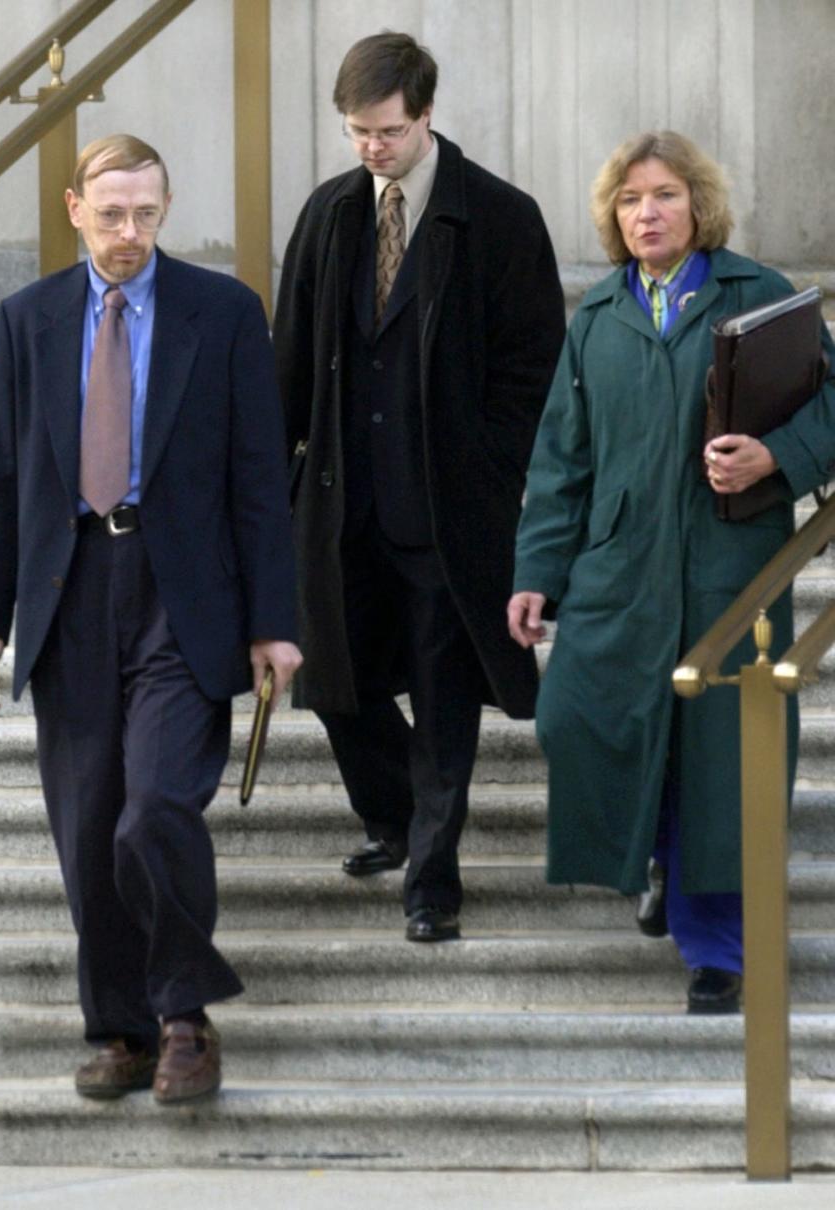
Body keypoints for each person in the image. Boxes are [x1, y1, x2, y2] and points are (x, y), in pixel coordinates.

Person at [0, 134, 302, 1101]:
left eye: (146, 213)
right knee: (88, 824)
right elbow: (1, 478)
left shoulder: (224, 312)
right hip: (67, 591)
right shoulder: (27, 319)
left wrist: (274, 620)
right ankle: (121, 1030)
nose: (129, 233)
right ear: (74, 208)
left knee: (153, 810)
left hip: (181, 591)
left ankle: (186, 1016)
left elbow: (258, 484)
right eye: (110, 213)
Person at [508, 130, 835, 1013]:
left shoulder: (759, 296)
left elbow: (833, 404)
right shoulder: (600, 313)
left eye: (664, 195)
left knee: (723, 759)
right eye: (629, 199)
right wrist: (538, 569)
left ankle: (717, 951)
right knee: (578, 717)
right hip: (618, 571)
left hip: (732, 569)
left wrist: (776, 457)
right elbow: (560, 459)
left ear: (699, 206)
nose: (646, 212)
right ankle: (657, 856)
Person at [274, 33, 564, 943]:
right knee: (332, 681)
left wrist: (489, 465)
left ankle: (432, 877)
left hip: (448, 511)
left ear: (427, 113)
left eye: (388, 130)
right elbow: (290, 359)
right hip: (341, 504)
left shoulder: (501, 218)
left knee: (443, 699)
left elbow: (535, 366)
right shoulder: (328, 215)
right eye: (357, 131)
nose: (371, 147)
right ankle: (395, 818)